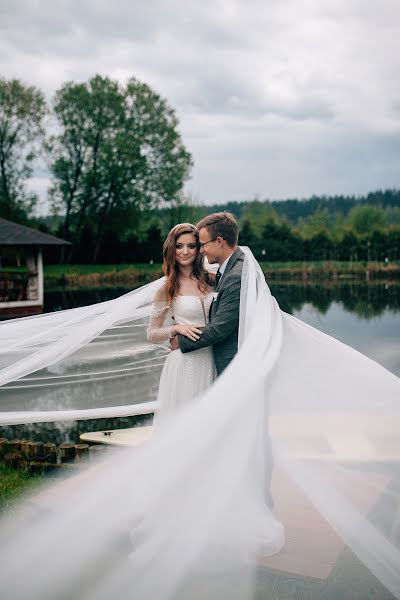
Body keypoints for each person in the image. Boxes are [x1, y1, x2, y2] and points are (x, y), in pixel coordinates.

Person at [147, 222, 216, 423]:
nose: (185, 251)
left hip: (213, 357)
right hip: (185, 362)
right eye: (179, 246)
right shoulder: (166, 288)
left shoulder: (212, 280)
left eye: (191, 246)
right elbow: (152, 333)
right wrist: (175, 328)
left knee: (211, 421)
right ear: (172, 249)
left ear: (199, 248)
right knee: (186, 421)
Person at [170, 212, 244, 376]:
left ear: (219, 242)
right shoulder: (230, 268)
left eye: (203, 244)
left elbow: (220, 329)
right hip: (206, 362)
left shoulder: (234, 276)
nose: (201, 250)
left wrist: (180, 342)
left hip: (231, 363)